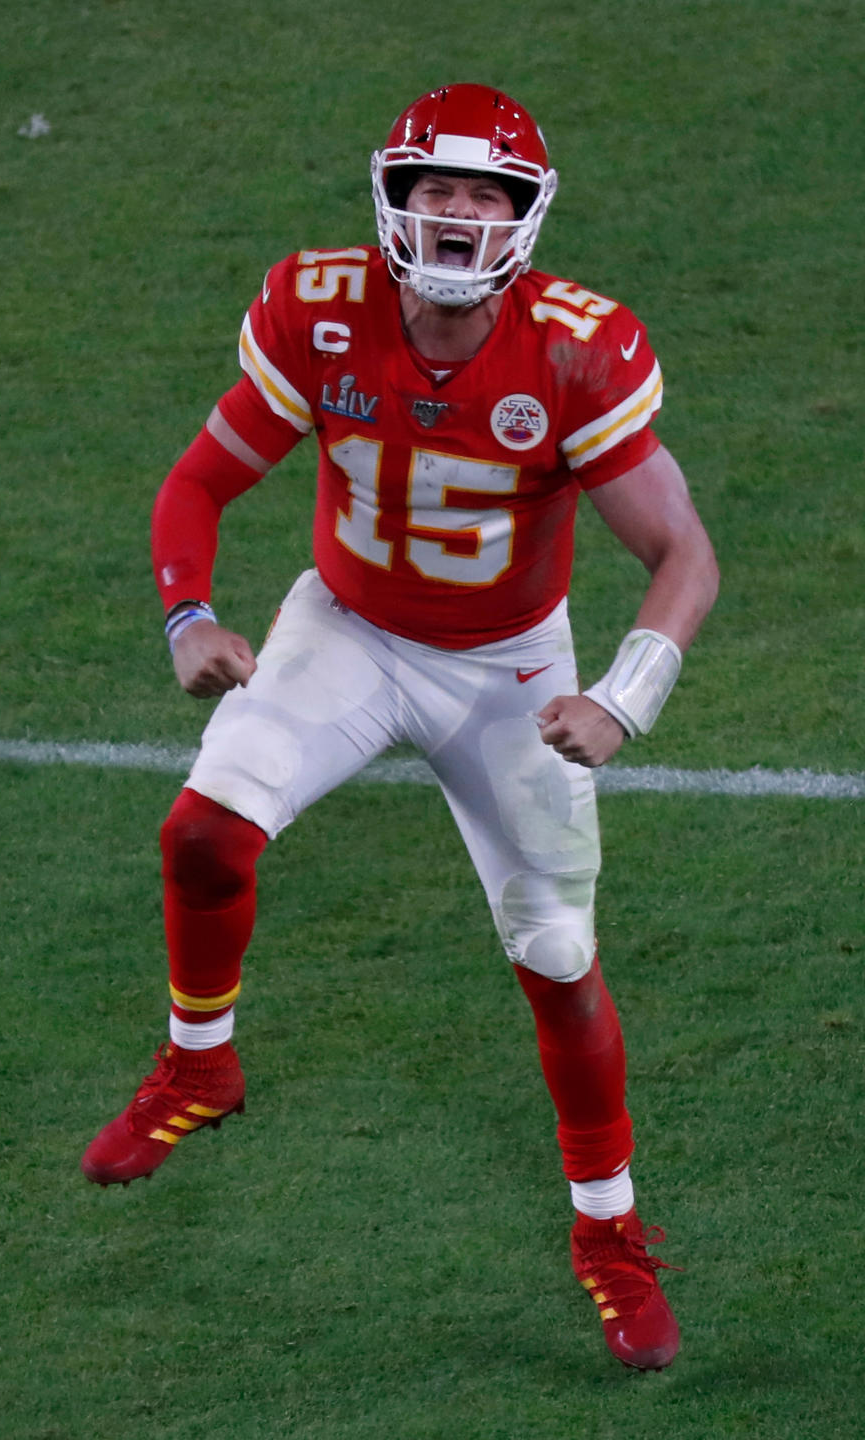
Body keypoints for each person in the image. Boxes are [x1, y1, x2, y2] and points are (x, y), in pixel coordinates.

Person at [81, 83, 719, 1372]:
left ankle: (610, 1229)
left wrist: (620, 699)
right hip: (349, 629)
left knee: (555, 957)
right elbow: (204, 475)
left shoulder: (578, 349)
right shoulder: (319, 313)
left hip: (509, 670)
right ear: (395, 195)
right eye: (439, 187)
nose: (459, 214)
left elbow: (683, 556)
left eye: (487, 195)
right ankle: (201, 1062)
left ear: (524, 218)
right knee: (202, 836)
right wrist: (185, 615)